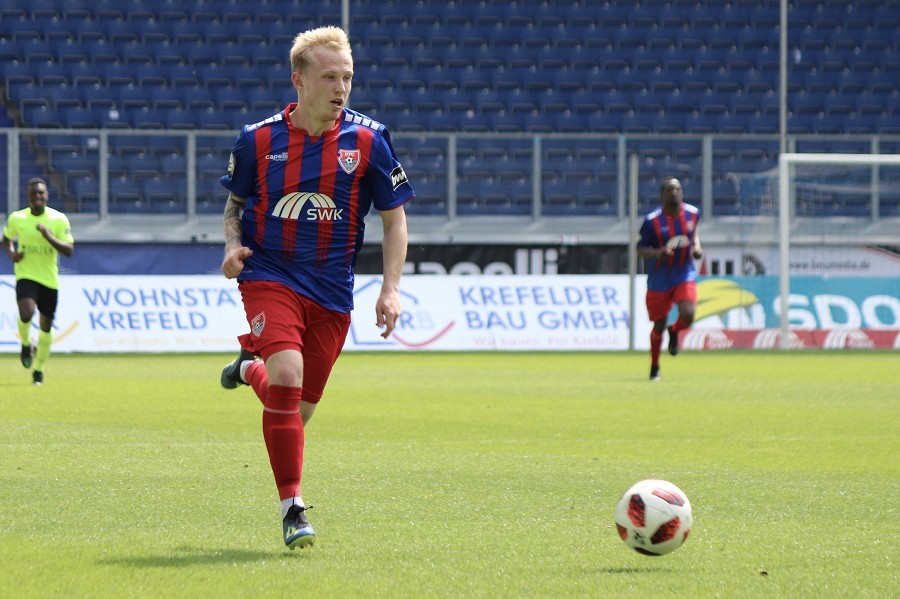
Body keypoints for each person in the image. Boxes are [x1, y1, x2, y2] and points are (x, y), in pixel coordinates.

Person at [218, 25, 412, 550]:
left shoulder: (369, 139)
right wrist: (232, 247)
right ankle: (293, 508)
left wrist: (390, 289)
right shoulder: (257, 139)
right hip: (270, 273)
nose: (341, 88)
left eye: (347, 77)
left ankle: (247, 368)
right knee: (287, 376)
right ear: (298, 81)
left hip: (331, 291)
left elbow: (396, 221)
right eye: (329, 77)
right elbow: (235, 207)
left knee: (296, 410)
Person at [2, 178, 75, 385]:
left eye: (41, 193)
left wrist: (49, 237)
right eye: (34, 193)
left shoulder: (58, 219)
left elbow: (69, 250)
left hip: (49, 280)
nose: (37, 196)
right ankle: (25, 343)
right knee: (27, 313)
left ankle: (39, 370)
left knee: (45, 327)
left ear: (47, 195)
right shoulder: (18, 218)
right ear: (28, 196)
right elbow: (5, 239)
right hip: (26, 275)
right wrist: (12, 254)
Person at [636, 176, 702, 381]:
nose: (675, 192)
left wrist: (697, 246)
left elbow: (693, 232)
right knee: (658, 325)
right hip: (659, 279)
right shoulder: (652, 221)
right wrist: (657, 253)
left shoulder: (693, 214)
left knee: (688, 314)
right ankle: (655, 367)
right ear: (662, 195)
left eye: (678, 189)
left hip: (684, 274)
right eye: (670, 189)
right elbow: (640, 249)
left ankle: (675, 331)